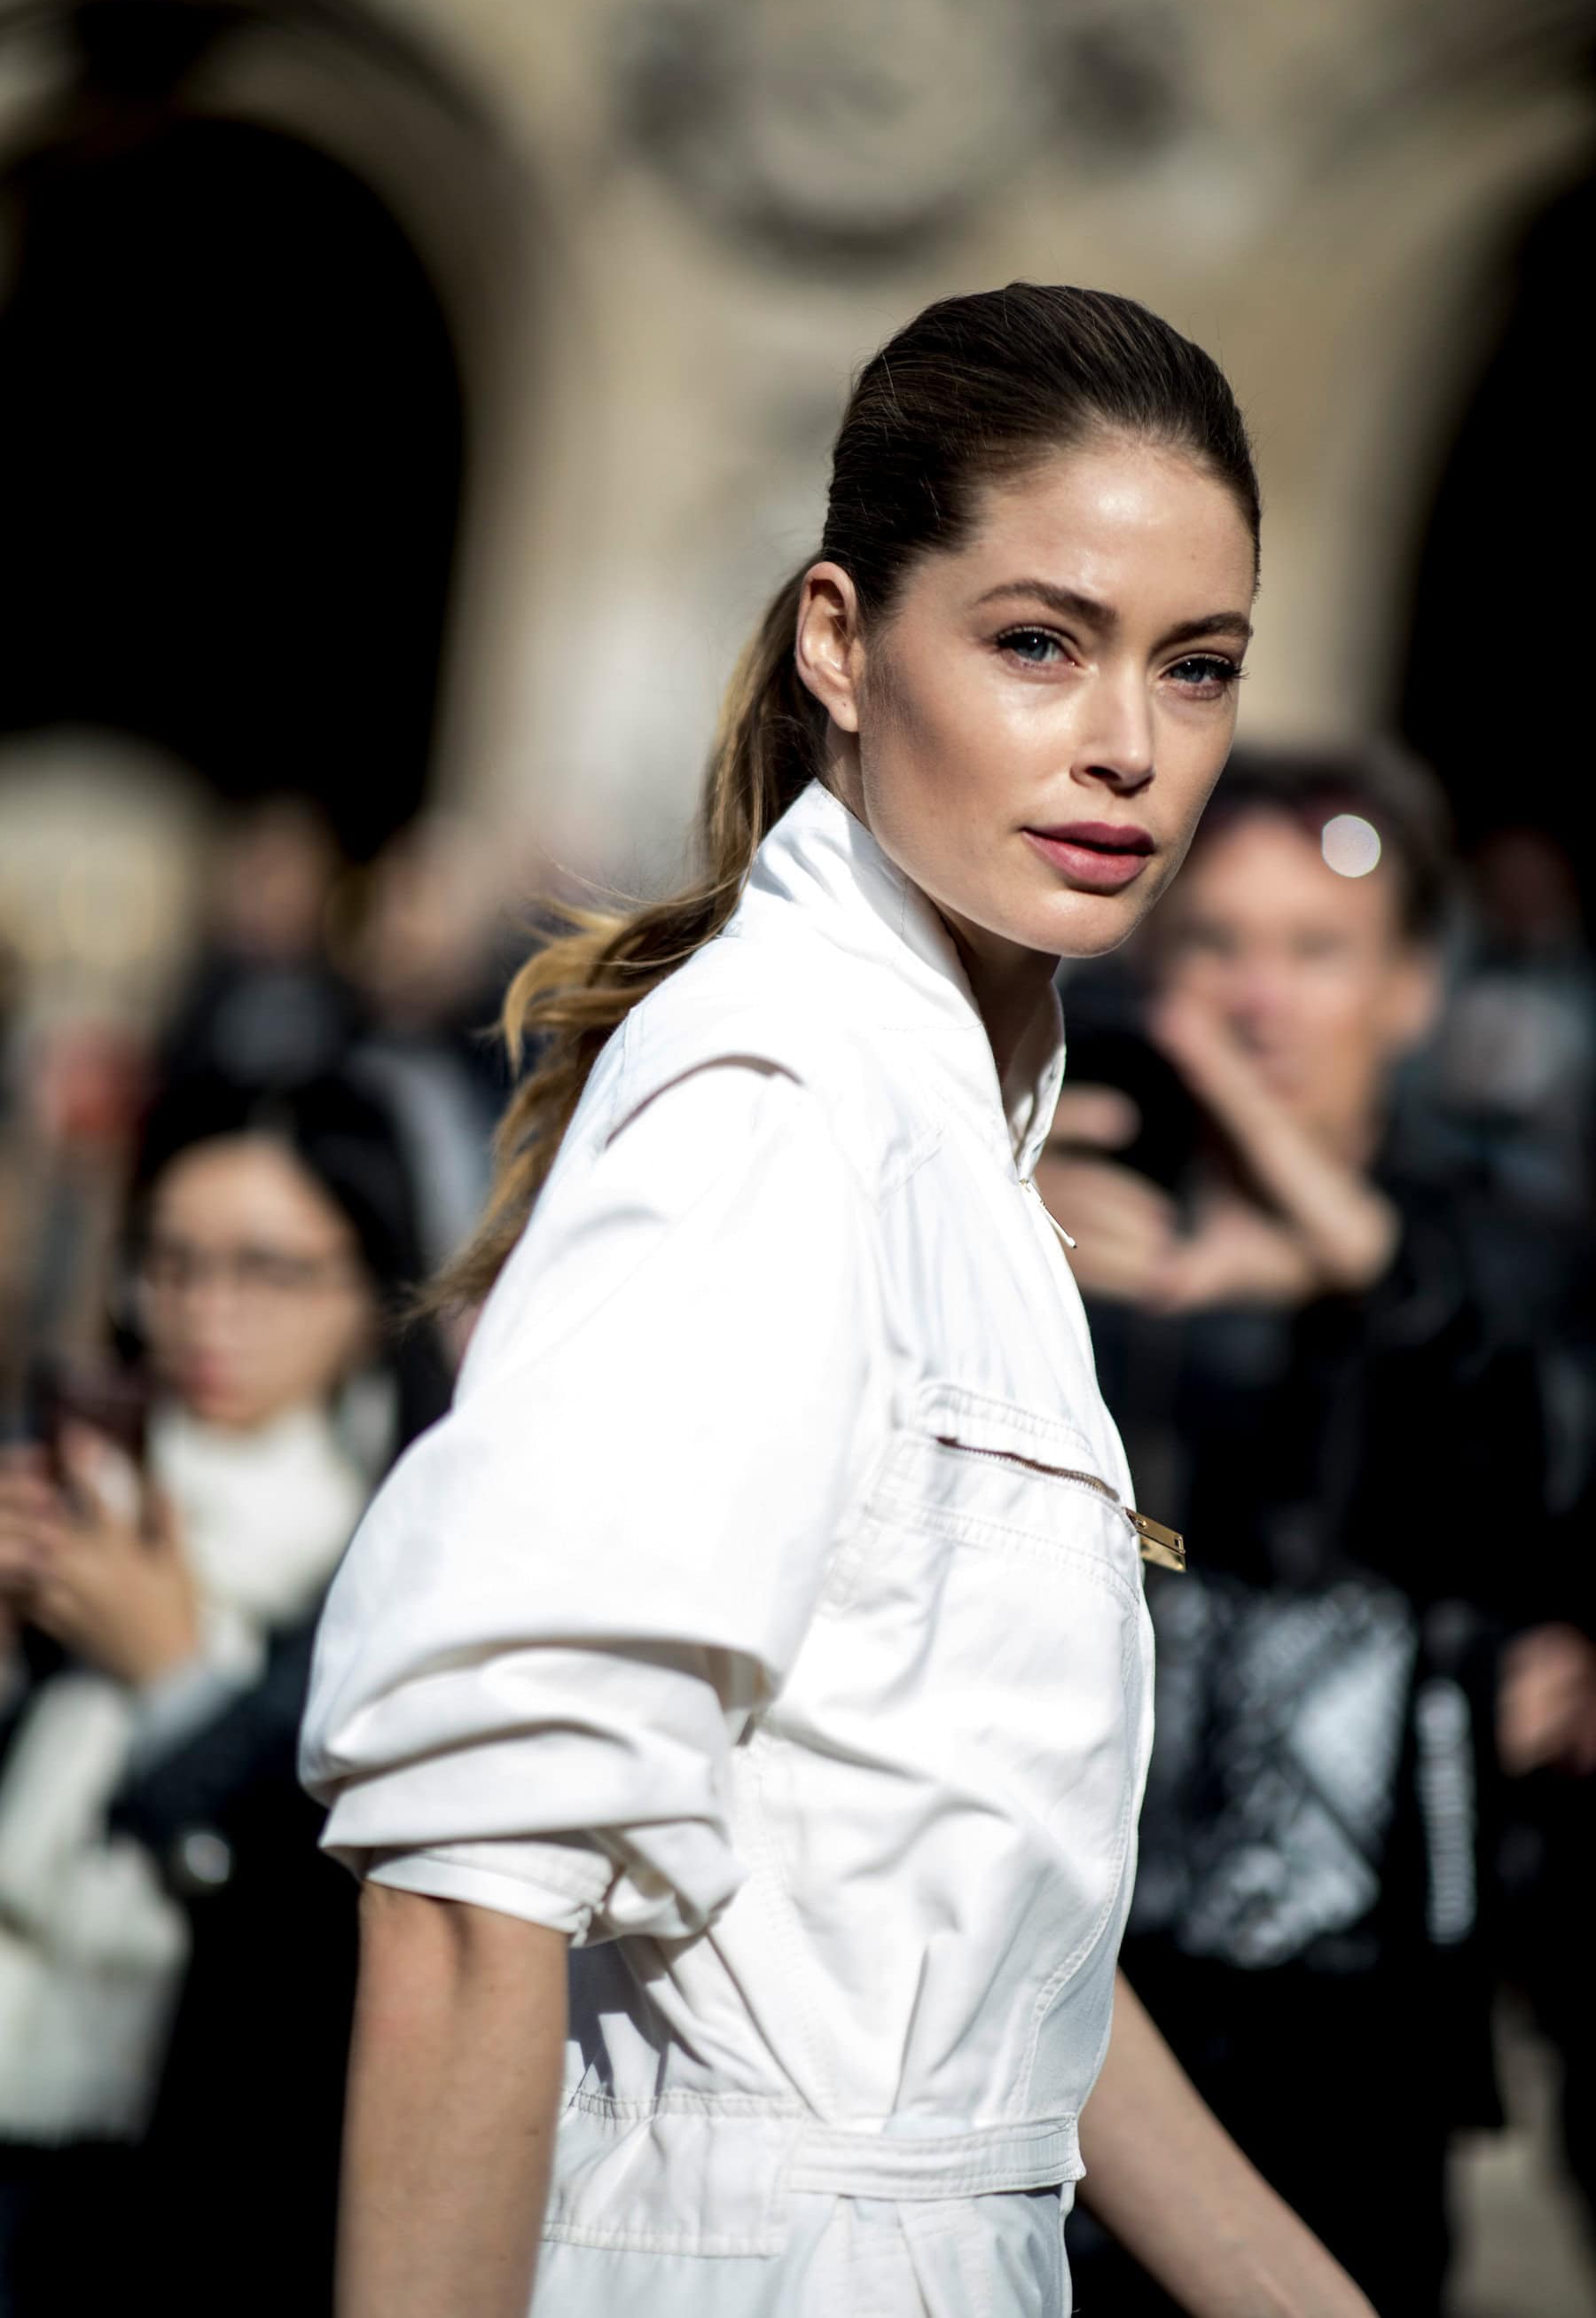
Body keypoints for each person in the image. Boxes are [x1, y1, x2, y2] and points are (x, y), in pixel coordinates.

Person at [301, 284, 1377, 2317]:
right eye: (1040, 642)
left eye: (1199, 666)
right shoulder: (780, 1104)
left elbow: (986, 1956)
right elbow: (468, 1877)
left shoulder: (953, 1139)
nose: (1131, 747)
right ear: (841, 640)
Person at [1039, 752, 1592, 2314]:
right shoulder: (1065, 1213)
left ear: (1412, 990)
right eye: (1218, 945)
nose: (1259, 999)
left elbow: (1517, 1401)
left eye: (1316, 950)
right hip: (1079, 1983)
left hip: (1366, 2035)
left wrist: (1320, 1243)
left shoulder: (1500, 1243)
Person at [0, 1071, 448, 2315]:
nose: (207, 1311)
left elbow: (337, 1924)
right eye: (172, 1262)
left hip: (230, 2186)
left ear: (374, 1291)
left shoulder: (403, 1549)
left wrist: (174, 1685)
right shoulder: (79, 1486)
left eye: (268, 1270)